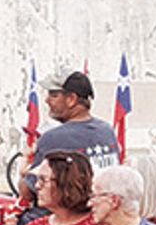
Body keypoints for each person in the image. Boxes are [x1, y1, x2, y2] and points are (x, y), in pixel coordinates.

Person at [19, 71, 120, 206]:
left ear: (71, 99)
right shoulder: (107, 130)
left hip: (66, 216)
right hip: (103, 210)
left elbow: (28, 192)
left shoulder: (53, 138)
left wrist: (25, 169)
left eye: (54, 95)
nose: (47, 100)